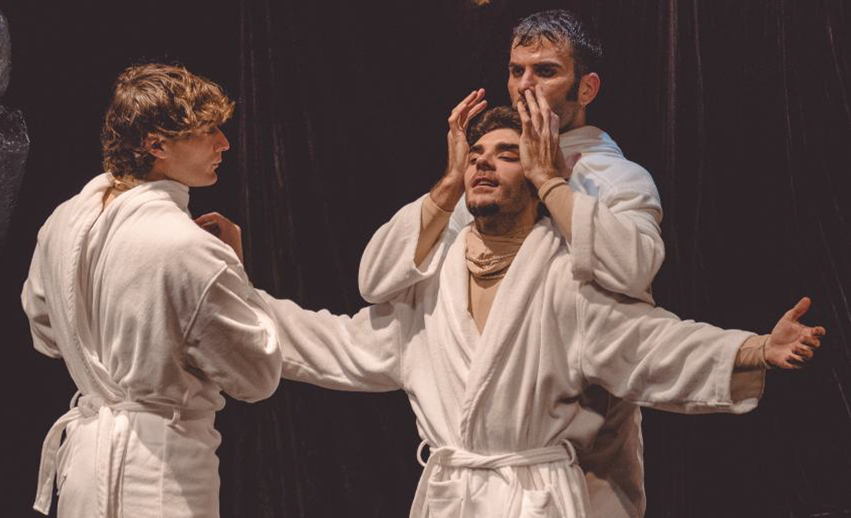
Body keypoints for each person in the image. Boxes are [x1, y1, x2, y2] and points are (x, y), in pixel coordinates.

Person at [258, 103, 824, 518]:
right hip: (452, 496)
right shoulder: (431, 286)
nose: (484, 164)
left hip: (538, 498)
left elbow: (652, 345)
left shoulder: (564, 277)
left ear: (535, 180)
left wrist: (756, 348)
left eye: (506, 156)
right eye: (475, 156)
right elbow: (335, 341)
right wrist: (234, 300)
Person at [357, 10, 663, 516]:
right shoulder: (489, 179)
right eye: (516, 70)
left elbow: (634, 270)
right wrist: (450, 183)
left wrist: (550, 183)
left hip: (583, 444)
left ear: (586, 88)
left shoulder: (617, 180)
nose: (525, 86)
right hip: (489, 448)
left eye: (545, 71)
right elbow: (377, 281)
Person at [21, 63, 281, 518]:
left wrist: (108, 357)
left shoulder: (61, 223)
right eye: (208, 131)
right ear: (156, 145)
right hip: (162, 473)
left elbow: (46, 336)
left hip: (83, 472)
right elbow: (257, 374)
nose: (224, 143)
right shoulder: (187, 246)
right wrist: (238, 274)